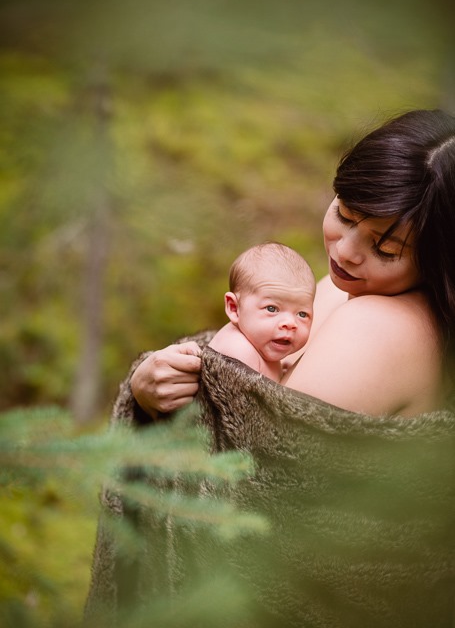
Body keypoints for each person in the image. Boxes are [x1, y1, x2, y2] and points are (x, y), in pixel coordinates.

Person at [130, 109, 455, 418]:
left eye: (385, 248)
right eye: (344, 214)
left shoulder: (376, 325)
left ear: (439, 259)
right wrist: (152, 383)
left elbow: (248, 471)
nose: (344, 252)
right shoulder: (342, 288)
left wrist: (144, 403)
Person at [207, 242, 315, 381]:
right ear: (234, 308)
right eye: (272, 309)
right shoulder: (238, 351)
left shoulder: (258, 345)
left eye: (302, 314)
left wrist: (280, 373)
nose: (290, 323)